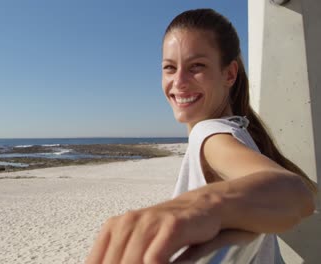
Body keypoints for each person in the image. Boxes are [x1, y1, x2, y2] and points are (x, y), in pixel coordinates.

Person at [85, 8, 317, 264]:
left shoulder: (211, 135)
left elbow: (294, 193)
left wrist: (200, 206)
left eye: (196, 66)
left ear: (229, 74)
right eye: (169, 68)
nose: (179, 81)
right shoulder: (239, 128)